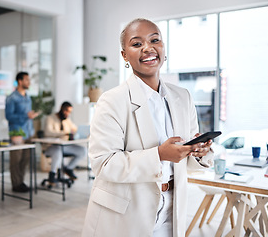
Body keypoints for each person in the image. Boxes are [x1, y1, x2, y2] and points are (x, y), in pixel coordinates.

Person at [82, 18, 214, 237]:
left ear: (163, 47)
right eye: (136, 44)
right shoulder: (111, 101)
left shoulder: (183, 97)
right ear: (124, 55)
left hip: (173, 208)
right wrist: (160, 154)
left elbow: (187, 160)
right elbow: (103, 164)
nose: (148, 48)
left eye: (155, 40)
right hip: (125, 213)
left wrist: (198, 151)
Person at [5, 71, 39, 192]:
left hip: (28, 131)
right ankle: (16, 184)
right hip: (17, 132)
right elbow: (9, 116)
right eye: (26, 80)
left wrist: (30, 116)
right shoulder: (12, 98)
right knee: (16, 159)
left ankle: (21, 182)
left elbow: (27, 114)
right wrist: (26, 116)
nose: (29, 82)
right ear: (20, 81)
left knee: (25, 159)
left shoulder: (27, 97)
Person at [44, 101, 86, 184]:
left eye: (69, 112)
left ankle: (68, 168)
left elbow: (74, 128)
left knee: (83, 150)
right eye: (66, 110)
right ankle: (52, 175)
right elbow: (48, 132)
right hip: (51, 147)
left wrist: (76, 131)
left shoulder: (67, 119)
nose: (67, 113)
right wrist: (64, 132)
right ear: (61, 108)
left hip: (64, 146)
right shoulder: (50, 118)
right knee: (57, 151)